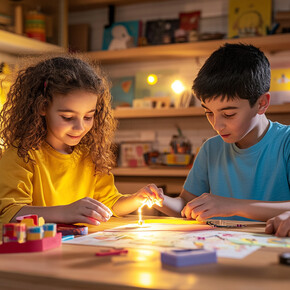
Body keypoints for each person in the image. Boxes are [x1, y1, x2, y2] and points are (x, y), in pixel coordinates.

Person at [0, 55, 163, 225]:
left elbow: (109, 203)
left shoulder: (90, 155)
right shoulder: (21, 154)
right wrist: (65, 212)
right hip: (37, 247)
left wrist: (137, 199)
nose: (80, 127)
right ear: (42, 107)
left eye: (88, 117)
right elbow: (10, 213)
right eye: (68, 117)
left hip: (78, 244)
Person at [156, 43, 290, 221]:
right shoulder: (211, 149)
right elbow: (187, 205)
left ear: (261, 104)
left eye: (228, 114)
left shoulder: (285, 143)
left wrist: (233, 206)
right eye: (208, 112)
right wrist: (159, 200)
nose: (216, 125)